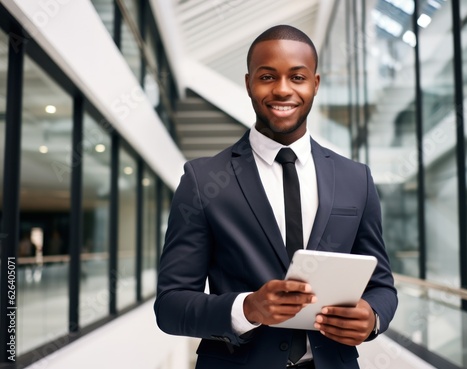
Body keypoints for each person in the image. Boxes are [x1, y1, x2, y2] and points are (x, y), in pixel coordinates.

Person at [154, 25, 397, 369]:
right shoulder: (202, 179)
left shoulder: (356, 178)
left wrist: (372, 317)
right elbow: (170, 307)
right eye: (268, 77)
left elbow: (382, 286)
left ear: (315, 83)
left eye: (297, 78)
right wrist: (247, 308)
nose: (282, 90)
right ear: (249, 83)